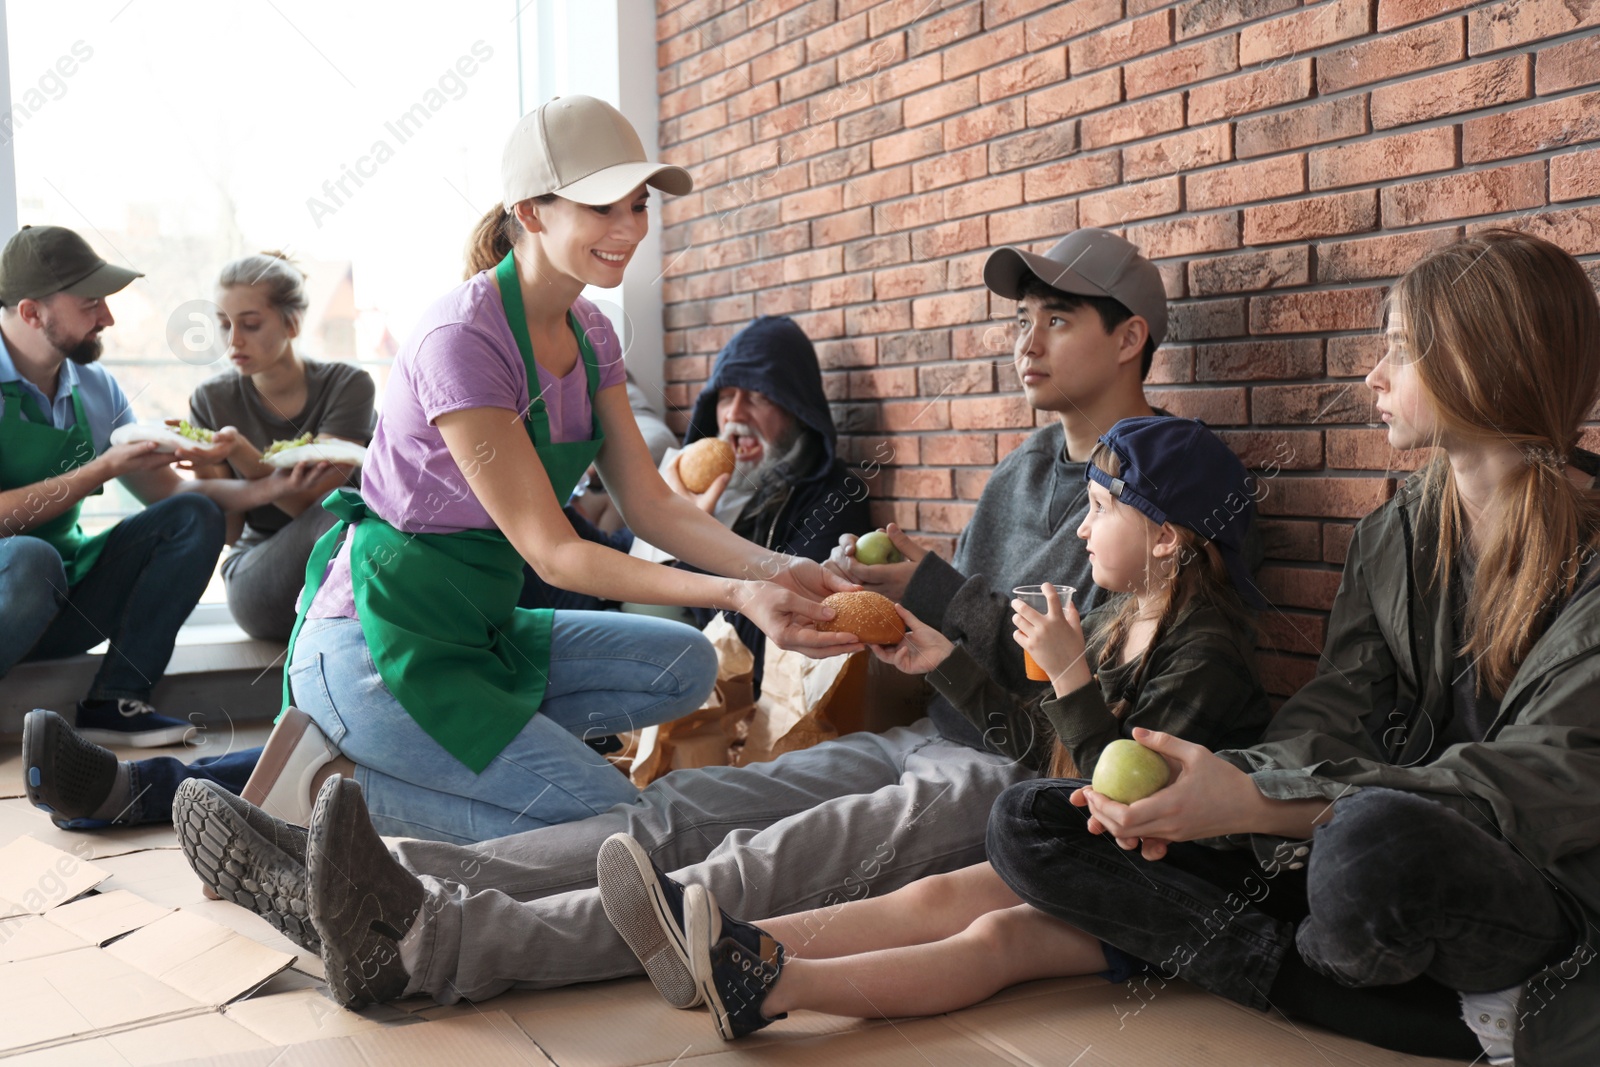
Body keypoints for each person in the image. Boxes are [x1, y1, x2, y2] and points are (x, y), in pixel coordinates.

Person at [171, 228, 1238, 1011]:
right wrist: (907, 610)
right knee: (677, 811)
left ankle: (430, 944)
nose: (1026, 340)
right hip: (935, 727)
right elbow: (983, 648)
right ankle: (359, 869)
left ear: (1130, 335)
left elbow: (1088, 708)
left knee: (749, 869)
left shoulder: (1166, 496)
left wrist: (939, 600)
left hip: (1007, 776)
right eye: (1022, 317)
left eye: (1057, 318)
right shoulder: (1019, 475)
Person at [985, 230, 1600, 1065]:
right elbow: (1334, 714)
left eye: (1400, 351)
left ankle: (1478, 1006)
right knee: (1032, 823)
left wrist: (1262, 807)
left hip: (1532, 893)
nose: (1372, 377)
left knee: (1369, 848)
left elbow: (1532, 785)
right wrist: (1223, 786)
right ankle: (1403, 1004)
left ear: (1485, 365)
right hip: (1350, 847)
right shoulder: (1395, 533)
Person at [237, 93, 855, 866]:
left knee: (686, 662)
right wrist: (736, 592)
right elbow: (554, 554)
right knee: (620, 826)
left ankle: (484, 764)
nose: (629, 227)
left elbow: (652, 503)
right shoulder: (462, 338)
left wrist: (777, 569)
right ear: (529, 212)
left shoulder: (593, 334)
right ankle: (328, 786)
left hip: (480, 631)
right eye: (603, 206)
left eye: (639, 204)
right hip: (375, 644)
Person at [601, 416, 1272, 1039]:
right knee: (935, 894)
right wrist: (945, 663)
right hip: (1095, 855)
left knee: (997, 939)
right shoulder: (1117, 618)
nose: (1081, 530)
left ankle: (775, 988)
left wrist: (1070, 678)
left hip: (1181, 895)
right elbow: (1046, 749)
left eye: (1100, 509)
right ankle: (727, 943)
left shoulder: (1206, 654)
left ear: (1164, 535)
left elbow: (1132, 808)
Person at [19, 251, 374, 830]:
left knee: (343, 517)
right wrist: (214, 469)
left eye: (250, 322)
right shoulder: (215, 398)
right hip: (262, 575)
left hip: (343, 572)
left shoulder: (346, 383)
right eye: (222, 322)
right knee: (340, 520)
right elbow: (226, 525)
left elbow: (312, 497)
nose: (233, 338)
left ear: (291, 322)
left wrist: (239, 455)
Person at [0, 225, 327, 757]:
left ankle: (118, 701)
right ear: (34, 313)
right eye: (90, 304)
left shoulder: (94, 387)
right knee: (33, 559)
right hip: (14, 586)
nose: (107, 316)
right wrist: (101, 469)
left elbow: (167, 494)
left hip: (60, 598)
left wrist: (265, 487)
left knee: (191, 513)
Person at [522, 314, 872, 692]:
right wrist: (543, 499)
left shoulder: (831, 496)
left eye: (757, 397)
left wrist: (686, 533)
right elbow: (617, 555)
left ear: (796, 411)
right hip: (621, 618)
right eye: (725, 397)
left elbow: (777, 644)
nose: (734, 414)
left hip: (709, 676)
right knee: (518, 547)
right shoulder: (688, 479)